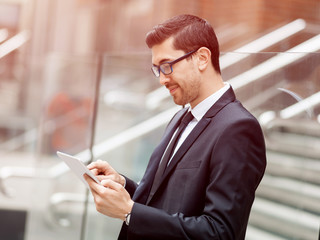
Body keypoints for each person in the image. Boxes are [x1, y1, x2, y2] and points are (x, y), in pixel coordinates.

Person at [84, 14, 266, 240]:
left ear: (201, 58)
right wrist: (124, 185)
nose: (161, 79)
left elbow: (220, 232)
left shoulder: (238, 129)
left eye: (167, 66)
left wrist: (128, 211)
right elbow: (171, 199)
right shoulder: (181, 117)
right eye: (156, 69)